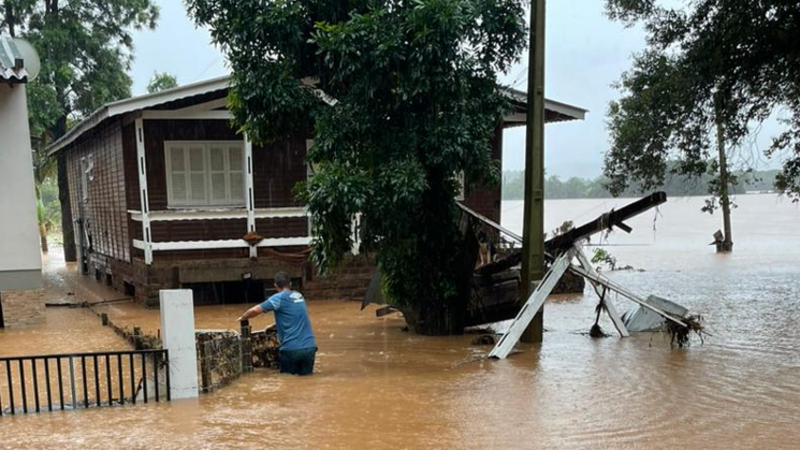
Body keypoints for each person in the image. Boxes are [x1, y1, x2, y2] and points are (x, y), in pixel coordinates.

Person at [237, 272, 317, 375]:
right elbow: (294, 317)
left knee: (287, 382)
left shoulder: (278, 298)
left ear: (275, 286)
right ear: (290, 284)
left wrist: (243, 317)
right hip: (310, 348)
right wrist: (273, 326)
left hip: (291, 350)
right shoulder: (299, 296)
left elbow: (255, 310)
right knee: (306, 382)